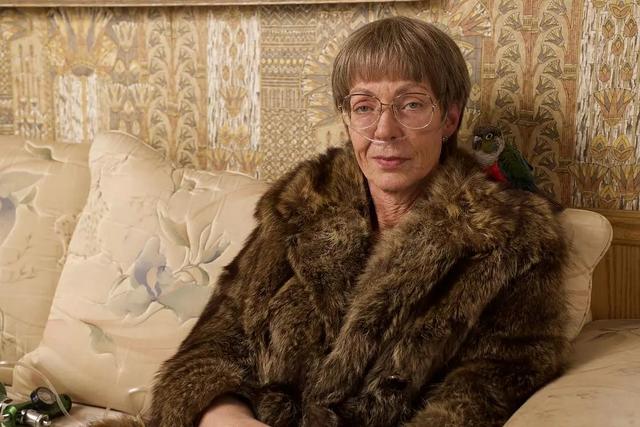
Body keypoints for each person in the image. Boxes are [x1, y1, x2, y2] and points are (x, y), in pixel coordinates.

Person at [91, 16, 568, 427]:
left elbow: (495, 383)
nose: (385, 130)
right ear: (346, 119)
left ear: (449, 119)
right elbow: (217, 341)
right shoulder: (302, 203)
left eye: (412, 104)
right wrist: (224, 415)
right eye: (365, 107)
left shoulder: (508, 237)